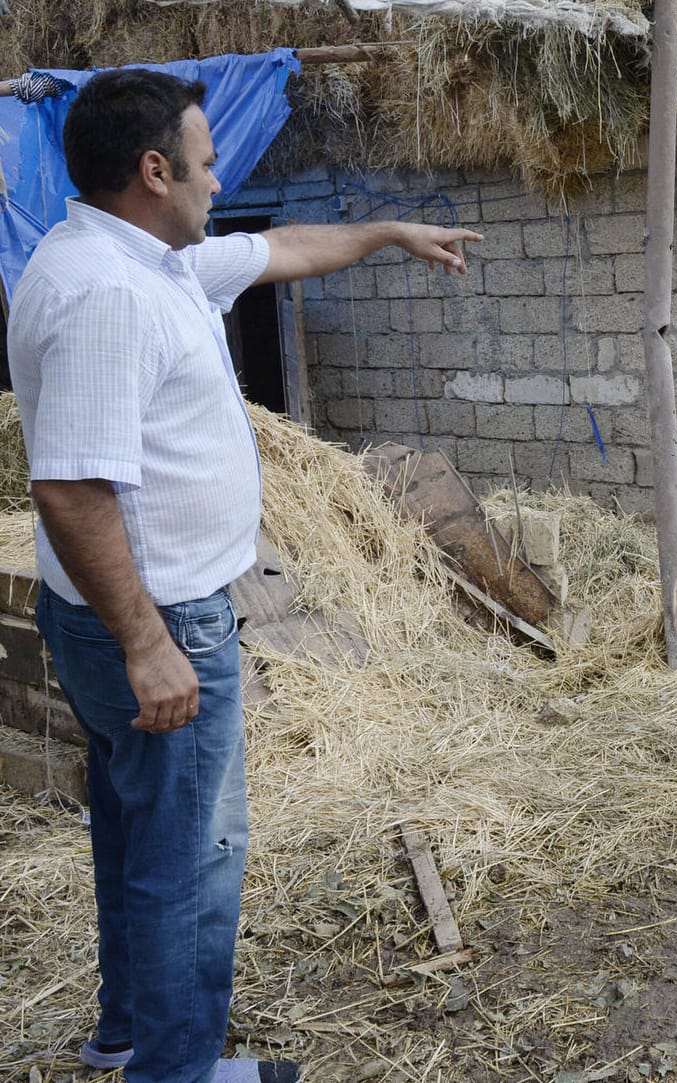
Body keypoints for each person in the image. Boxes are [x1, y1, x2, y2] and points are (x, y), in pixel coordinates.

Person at [6, 68, 483, 1083]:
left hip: (133, 612)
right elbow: (71, 492)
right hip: (158, 620)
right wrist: (149, 646)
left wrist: (391, 233)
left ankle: (129, 1033)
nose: (221, 183)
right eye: (209, 163)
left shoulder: (148, 260)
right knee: (192, 861)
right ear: (153, 170)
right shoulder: (103, 294)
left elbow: (280, 251)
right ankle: (176, 1070)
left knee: (137, 832)